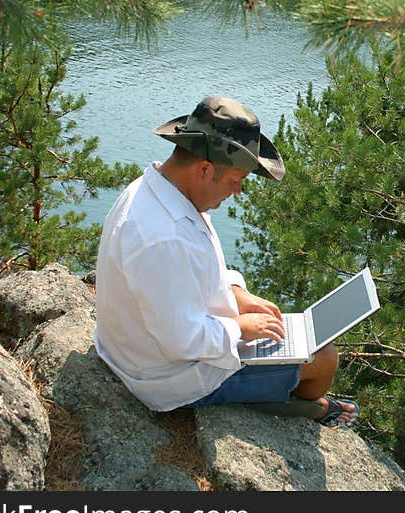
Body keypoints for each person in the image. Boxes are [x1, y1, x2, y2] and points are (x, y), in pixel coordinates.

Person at [93, 96, 358, 427]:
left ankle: (277, 392)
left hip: (142, 351)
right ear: (204, 169)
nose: (238, 192)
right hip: (171, 378)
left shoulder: (160, 194)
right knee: (323, 360)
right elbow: (181, 343)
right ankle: (299, 408)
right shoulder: (164, 236)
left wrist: (237, 294)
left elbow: (194, 275)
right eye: (236, 180)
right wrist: (241, 329)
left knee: (297, 342)